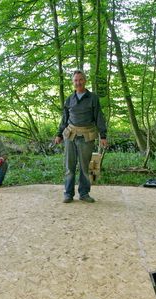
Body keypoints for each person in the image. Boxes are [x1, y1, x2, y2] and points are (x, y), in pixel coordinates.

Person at [54, 70, 108, 203]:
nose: (78, 83)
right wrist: (59, 134)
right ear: (73, 82)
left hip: (86, 136)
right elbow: (64, 119)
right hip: (70, 135)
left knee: (84, 167)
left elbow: (99, 117)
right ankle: (68, 194)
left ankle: (84, 193)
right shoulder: (69, 99)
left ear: (85, 80)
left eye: (80, 80)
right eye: (75, 80)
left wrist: (103, 136)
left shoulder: (93, 98)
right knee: (69, 166)